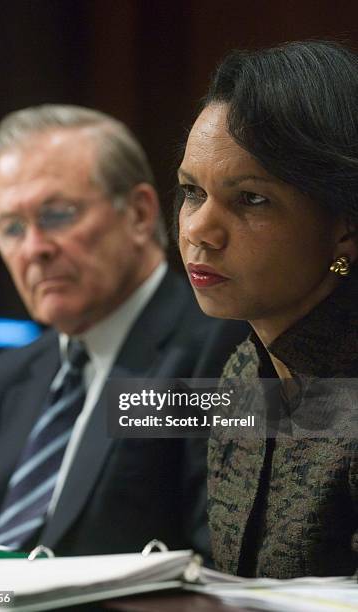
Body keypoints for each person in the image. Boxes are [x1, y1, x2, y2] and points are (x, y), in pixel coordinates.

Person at [0, 105, 248, 556]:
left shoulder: (222, 345)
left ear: (138, 213)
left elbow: (221, 560)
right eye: (12, 228)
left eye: (56, 215)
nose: (34, 249)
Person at [178, 41, 358, 578]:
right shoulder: (242, 371)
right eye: (191, 191)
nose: (198, 231)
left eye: (250, 199)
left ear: (344, 225)